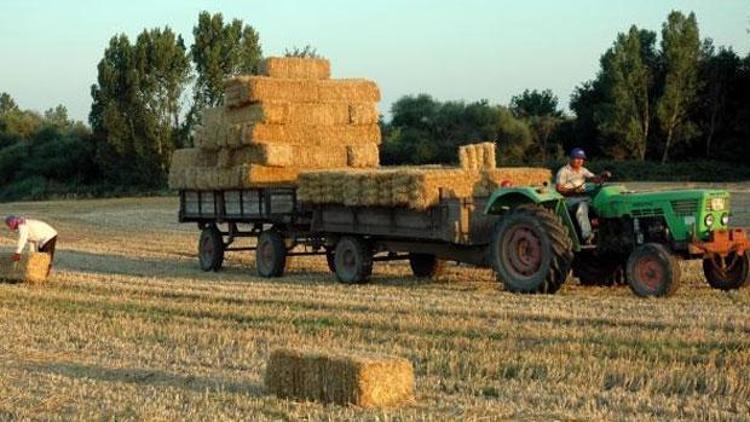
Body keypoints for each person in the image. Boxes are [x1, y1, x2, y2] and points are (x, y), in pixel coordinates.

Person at [555, 148, 611, 244]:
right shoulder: (563, 171)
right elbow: (559, 188)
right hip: (570, 199)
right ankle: (587, 235)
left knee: (601, 203)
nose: (580, 161)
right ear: (571, 159)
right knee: (582, 206)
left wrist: (602, 176)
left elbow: (594, 178)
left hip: (583, 197)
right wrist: (572, 191)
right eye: (577, 158)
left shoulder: (583, 170)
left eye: (582, 159)